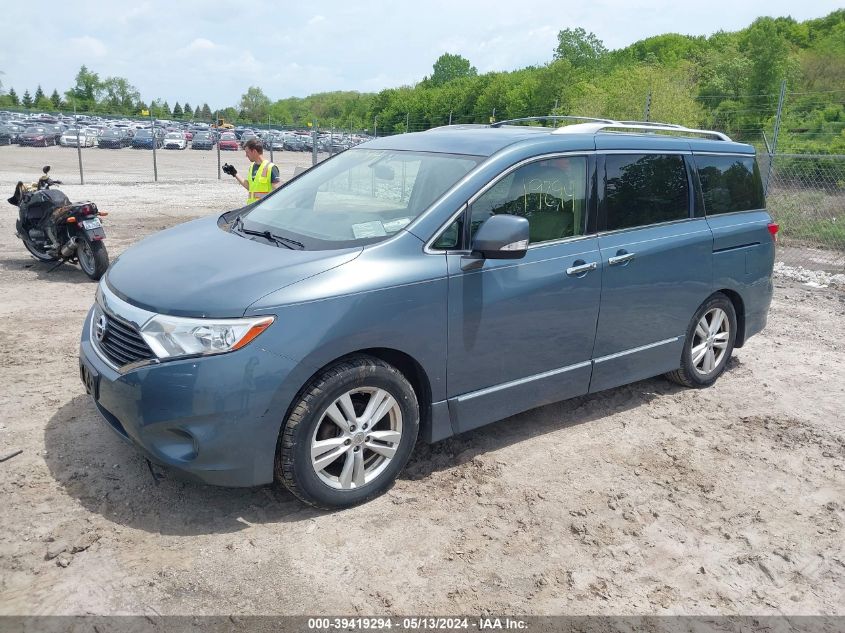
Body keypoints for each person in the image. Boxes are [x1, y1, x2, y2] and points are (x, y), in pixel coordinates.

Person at [222, 139, 281, 204]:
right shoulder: (252, 167)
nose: (246, 155)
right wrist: (234, 173)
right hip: (251, 208)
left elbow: (277, 192)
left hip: (264, 208)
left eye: (247, 152)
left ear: (254, 151)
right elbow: (250, 187)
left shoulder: (271, 168)